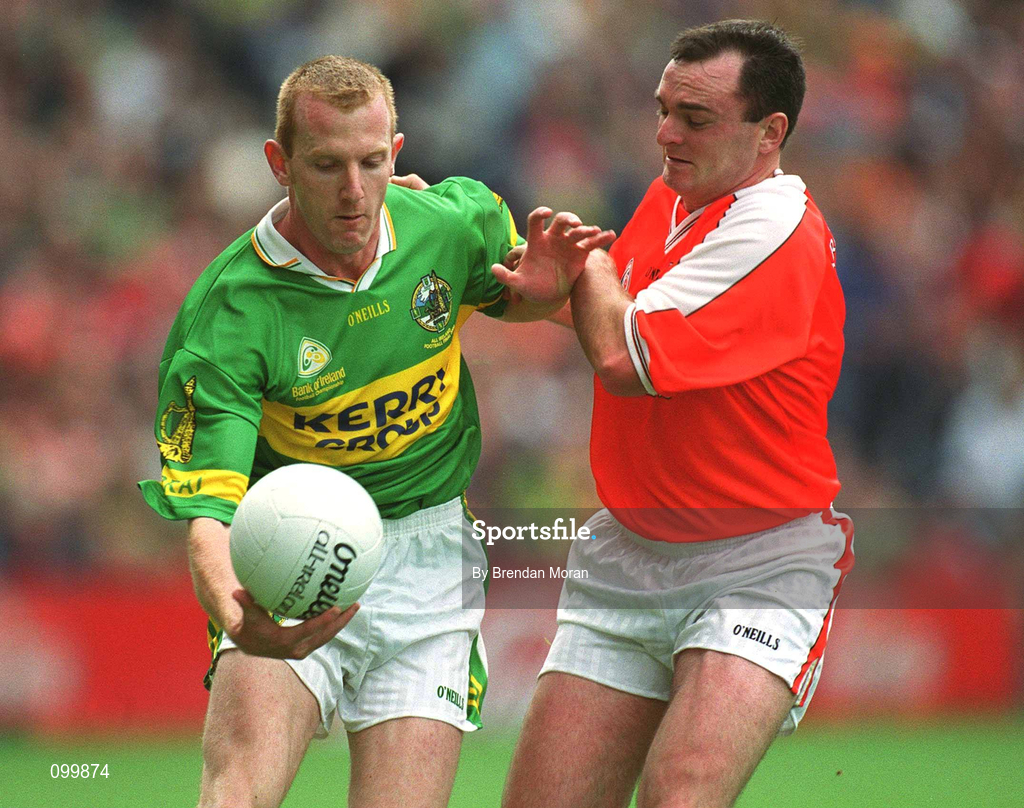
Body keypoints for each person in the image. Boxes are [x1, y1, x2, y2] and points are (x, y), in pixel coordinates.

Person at [138, 55, 608, 808]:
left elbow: (525, 299)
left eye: (370, 162)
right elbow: (208, 517)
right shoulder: (229, 316)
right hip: (287, 551)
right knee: (237, 796)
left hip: (430, 558)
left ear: (397, 153)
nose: (354, 191)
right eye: (327, 165)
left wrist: (546, 292)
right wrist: (235, 614)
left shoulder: (453, 225)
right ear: (280, 164)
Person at [495, 20, 855, 808]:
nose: (665, 134)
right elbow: (611, 314)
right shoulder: (676, 195)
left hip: (757, 559)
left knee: (680, 793)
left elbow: (623, 359)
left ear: (770, 133)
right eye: (662, 110)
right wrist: (506, 264)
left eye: (694, 118)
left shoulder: (773, 227)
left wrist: (588, 265)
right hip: (630, 548)